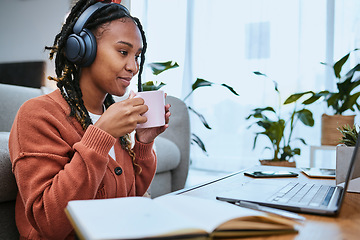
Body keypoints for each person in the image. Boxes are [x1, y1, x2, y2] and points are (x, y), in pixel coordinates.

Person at [8, 0, 170, 239]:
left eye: (137, 56)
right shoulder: (37, 114)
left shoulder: (112, 115)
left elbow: (130, 196)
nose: (134, 66)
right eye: (123, 52)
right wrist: (101, 136)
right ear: (82, 50)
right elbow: (49, 222)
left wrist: (144, 144)